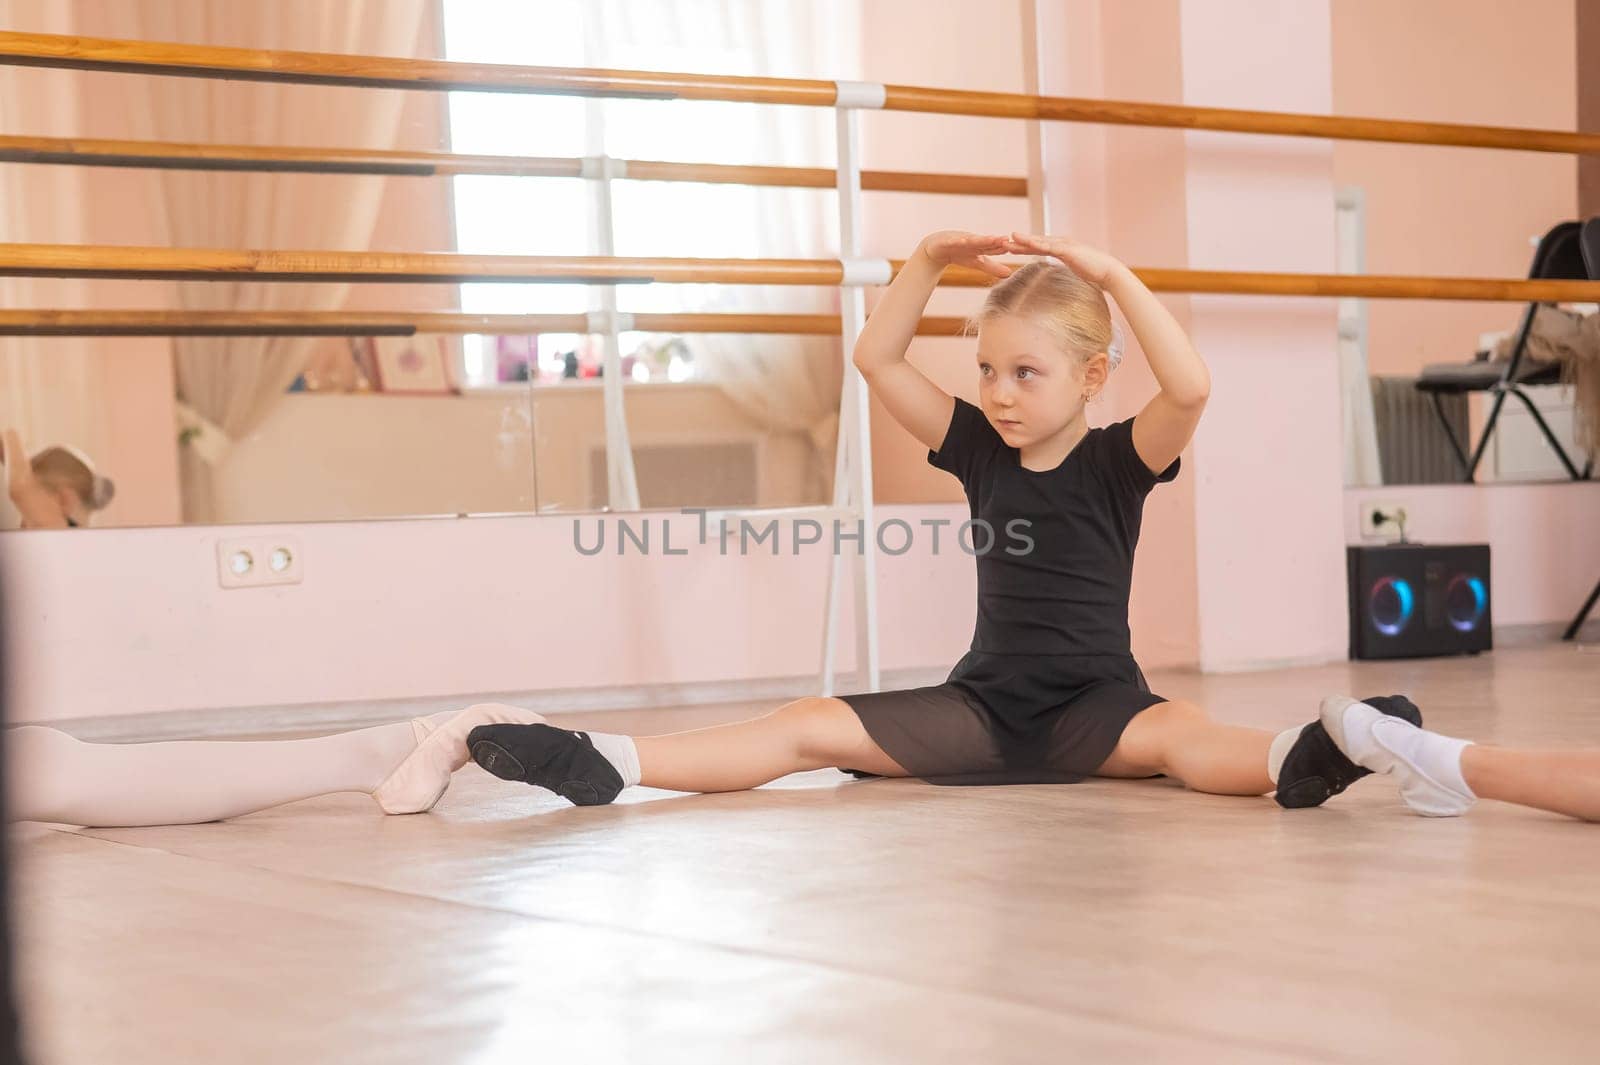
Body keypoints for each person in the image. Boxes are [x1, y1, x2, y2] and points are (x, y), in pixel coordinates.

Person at [6, 232, 1599, 827]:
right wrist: (922, 266)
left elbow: (1190, 386)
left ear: (1089, 377)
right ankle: (608, 764)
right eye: (996, 372)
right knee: (800, 732)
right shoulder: (977, 446)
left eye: (1029, 371)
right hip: (984, 708)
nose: (1001, 391)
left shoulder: (1123, 456)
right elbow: (869, 356)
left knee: (1203, 750)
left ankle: (1338, 748)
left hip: (1102, 707)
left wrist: (1114, 281)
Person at [1, 429, 115, 530]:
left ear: (65, 500)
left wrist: (10, 435)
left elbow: (19, 487)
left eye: (32, 499)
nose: (24, 522)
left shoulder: (55, 526)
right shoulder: (74, 535)